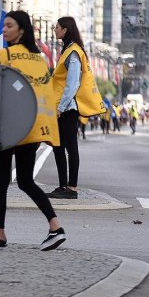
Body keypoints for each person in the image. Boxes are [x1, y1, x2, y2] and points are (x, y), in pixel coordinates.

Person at [0, 10, 66, 251]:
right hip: (31, 127)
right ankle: (55, 226)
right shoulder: (40, 60)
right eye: (4, 26)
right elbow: (44, 95)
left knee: (1, 182)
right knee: (25, 180)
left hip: (7, 127)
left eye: (9, 25)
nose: (4, 29)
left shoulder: (3, 56)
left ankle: (0, 234)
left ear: (21, 30)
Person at [48, 16, 105, 200]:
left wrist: (61, 107)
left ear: (65, 30)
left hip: (68, 108)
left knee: (70, 147)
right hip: (61, 106)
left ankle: (71, 188)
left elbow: (72, 84)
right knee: (57, 146)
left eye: (57, 27)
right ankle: (63, 185)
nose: (54, 30)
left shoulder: (73, 52)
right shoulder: (67, 50)